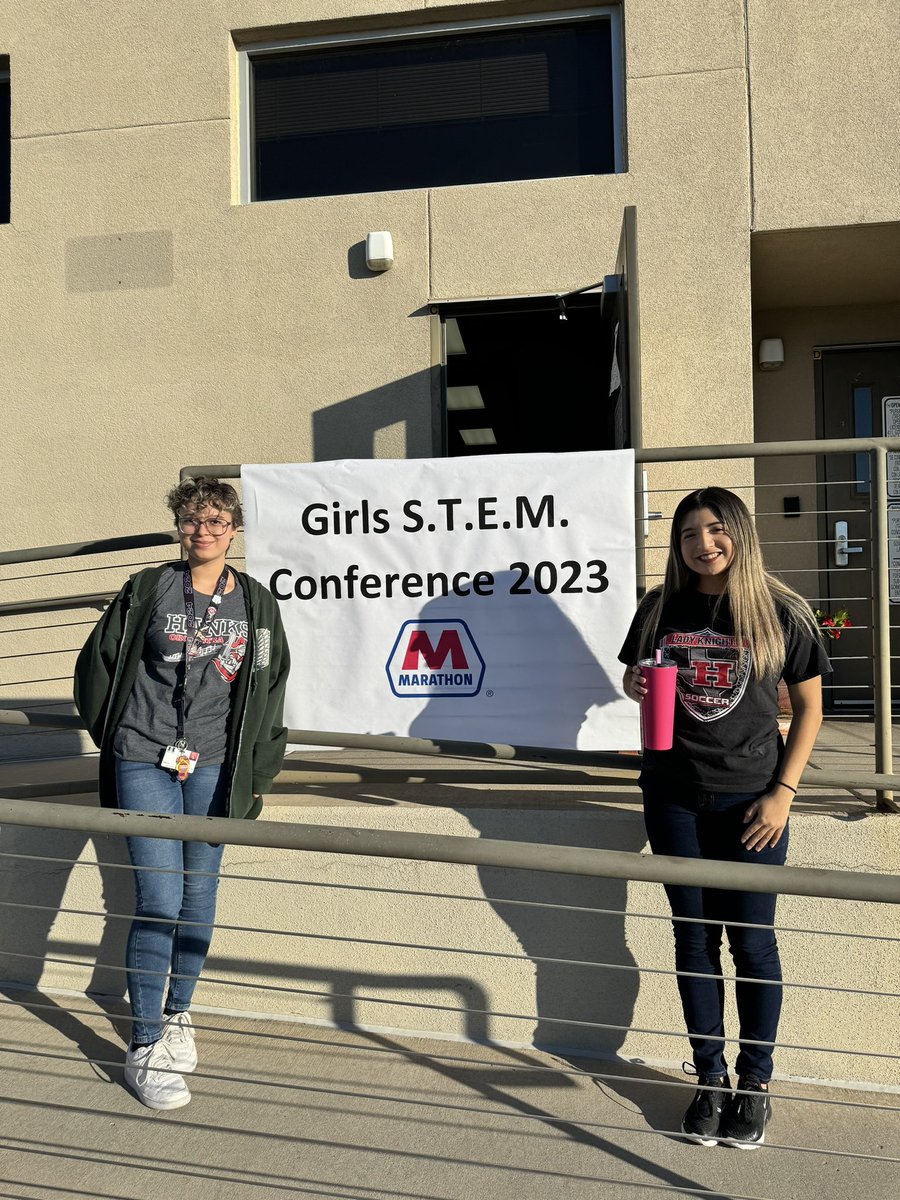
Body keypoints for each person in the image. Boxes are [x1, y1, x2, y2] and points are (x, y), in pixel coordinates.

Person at [618, 487, 829, 1149]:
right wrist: (635, 686)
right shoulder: (659, 607)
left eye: (715, 530)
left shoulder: (781, 610)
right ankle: (709, 1081)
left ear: (738, 531)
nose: (703, 544)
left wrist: (783, 793)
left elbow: (811, 710)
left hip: (752, 804)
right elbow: (636, 680)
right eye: (688, 534)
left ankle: (754, 1084)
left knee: (752, 944)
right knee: (693, 940)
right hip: (674, 797)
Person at [74, 476, 290, 1111]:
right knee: (160, 897)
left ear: (234, 530)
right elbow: (99, 665)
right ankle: (144, 1044)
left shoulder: (255, 604)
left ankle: (178, 1012)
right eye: (193, 521)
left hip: (214, 764)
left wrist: (257, 771)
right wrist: (117, 735)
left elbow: (270, 687)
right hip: (144, 756)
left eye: (217, 522)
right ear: (178, 526)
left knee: (199, 896)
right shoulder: (149, 589)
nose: (204, 531)